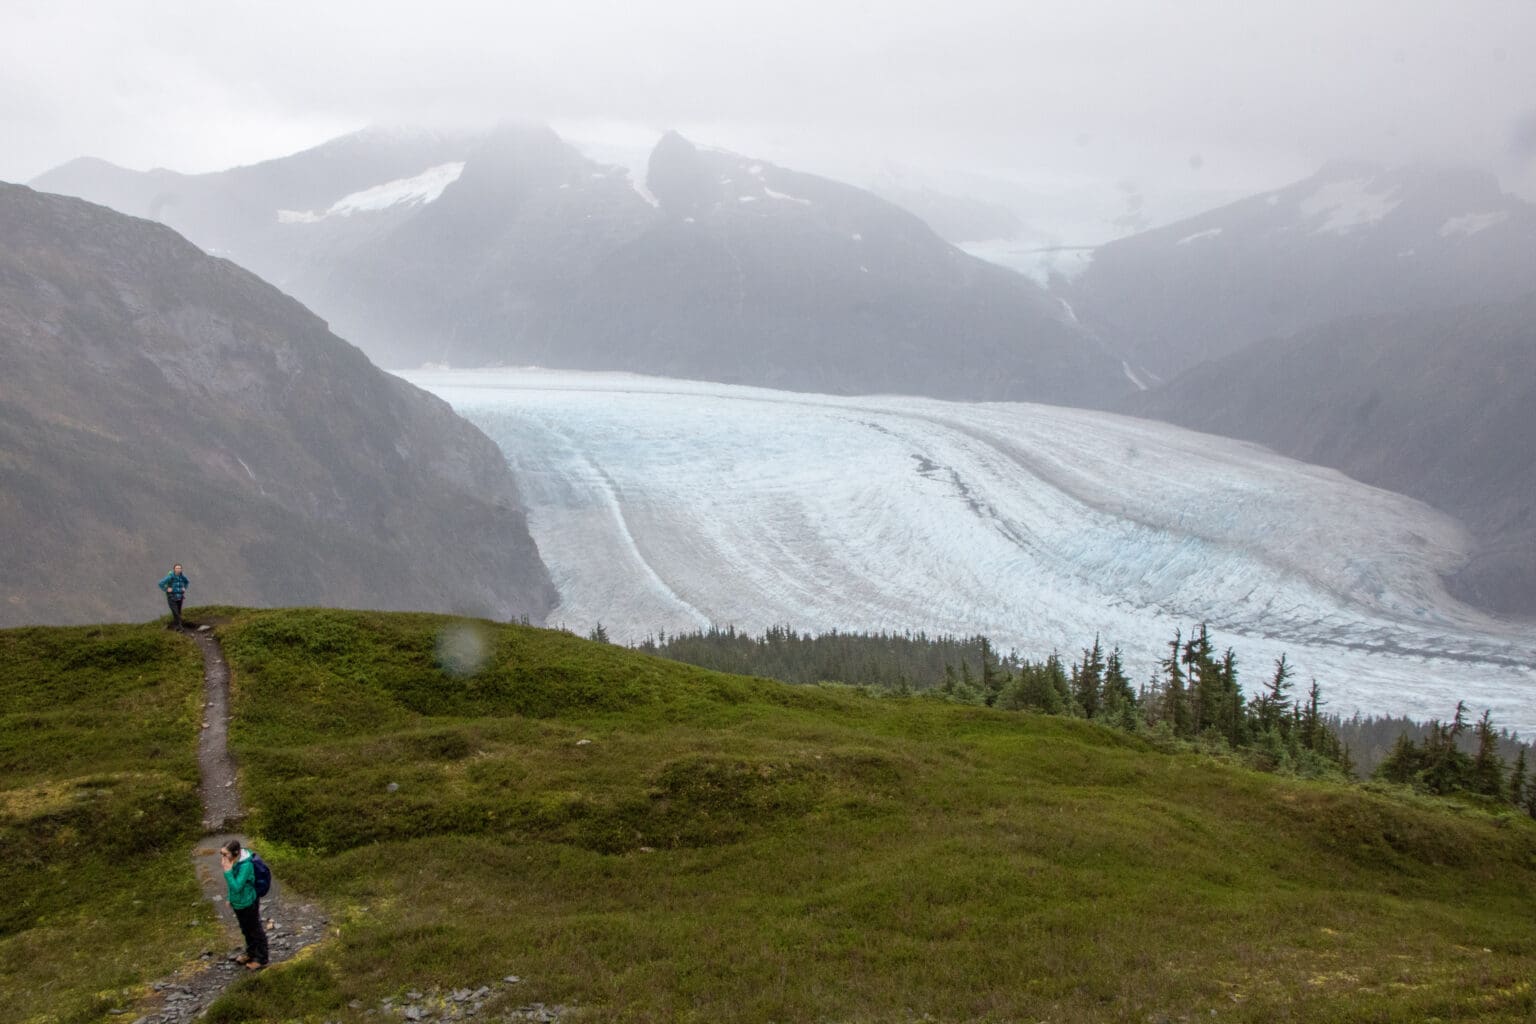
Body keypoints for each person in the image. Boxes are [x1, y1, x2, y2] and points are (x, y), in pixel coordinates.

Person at [220, 839, 268, 970]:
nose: (223, 858)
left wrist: (227, 872)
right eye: (221, 854)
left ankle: (261, 959)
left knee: (255, 929)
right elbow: (232, 887)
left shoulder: (246, 865)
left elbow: (237, 887)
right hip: (238, 903)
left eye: (225, 854)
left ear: (235, 853)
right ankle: (251, 953)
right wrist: (230, 898)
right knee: (245, 929)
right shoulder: (232, 861)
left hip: (248, 902)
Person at [158, 564, 189, 630]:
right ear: (174, 569)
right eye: (177, 568)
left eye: (179, 568)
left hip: (180, 597)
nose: (178, 569)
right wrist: (166, 589)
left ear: (181, 569)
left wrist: (184, 588)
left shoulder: (182, 577)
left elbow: (187, 582)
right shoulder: (170, 577)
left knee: (178, 612)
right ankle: (180, 627)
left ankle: (176, 627)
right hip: (171, 597)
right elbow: (160, 583)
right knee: (175, 612)